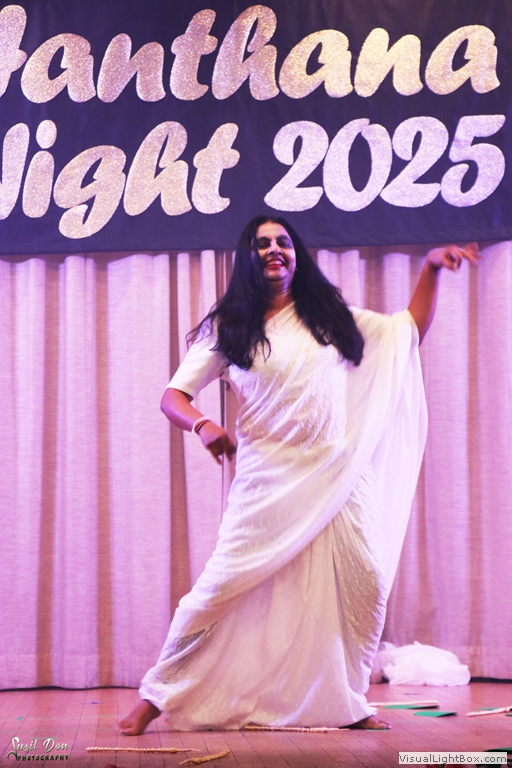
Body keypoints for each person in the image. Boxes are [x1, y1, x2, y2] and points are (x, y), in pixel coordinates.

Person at [119, 216, 479, 735]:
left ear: (296, 254)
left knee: (365, 583)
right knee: (220, 589)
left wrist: (431, 269)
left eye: (283, 242)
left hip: (339, 476)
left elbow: (408, 332)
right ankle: (155, 696)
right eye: (262, 243)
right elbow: (173, 396)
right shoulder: (229, 328)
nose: (274, 249)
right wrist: (203, 425)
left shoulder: (328, 318)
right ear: (247, 258)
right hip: (266, 480)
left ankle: (346, 700)